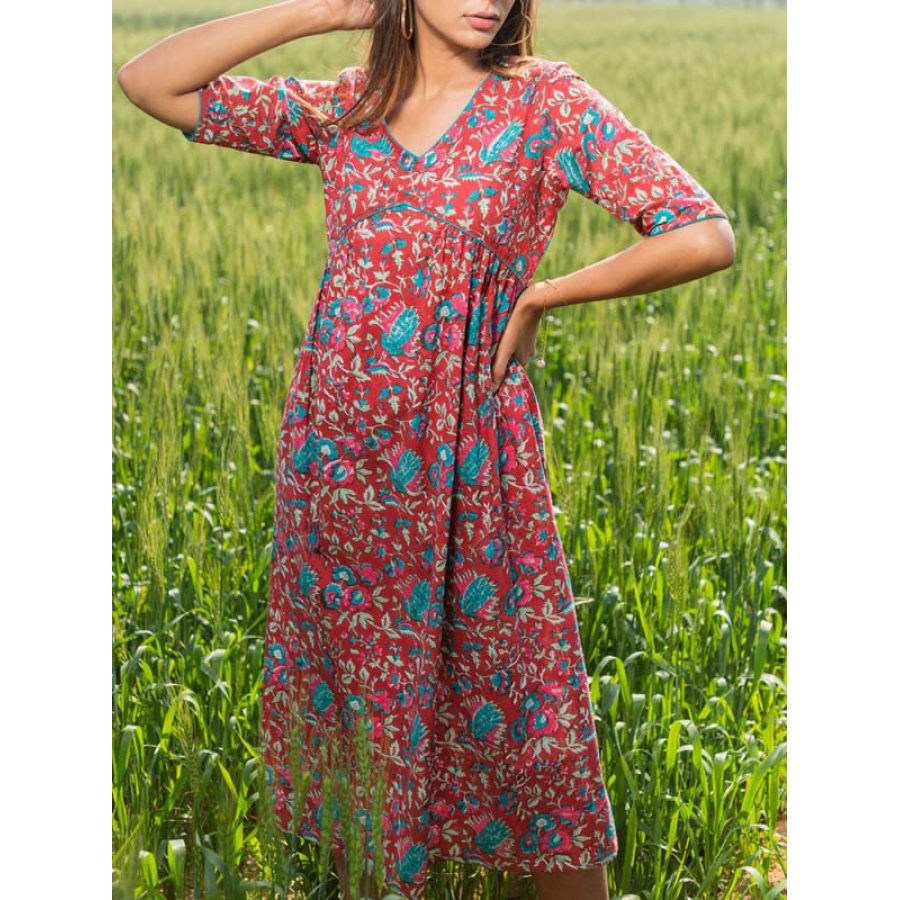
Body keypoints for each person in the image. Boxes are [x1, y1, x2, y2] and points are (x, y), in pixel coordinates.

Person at [117, 1, 735, 898]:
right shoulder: (347, 109)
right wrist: (333, 10)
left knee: (536, 735)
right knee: (370, 752)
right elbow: (150, 82)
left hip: (479, 473)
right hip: (340, 473)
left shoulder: (545, 104)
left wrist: (544, 294)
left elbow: (703, 231)